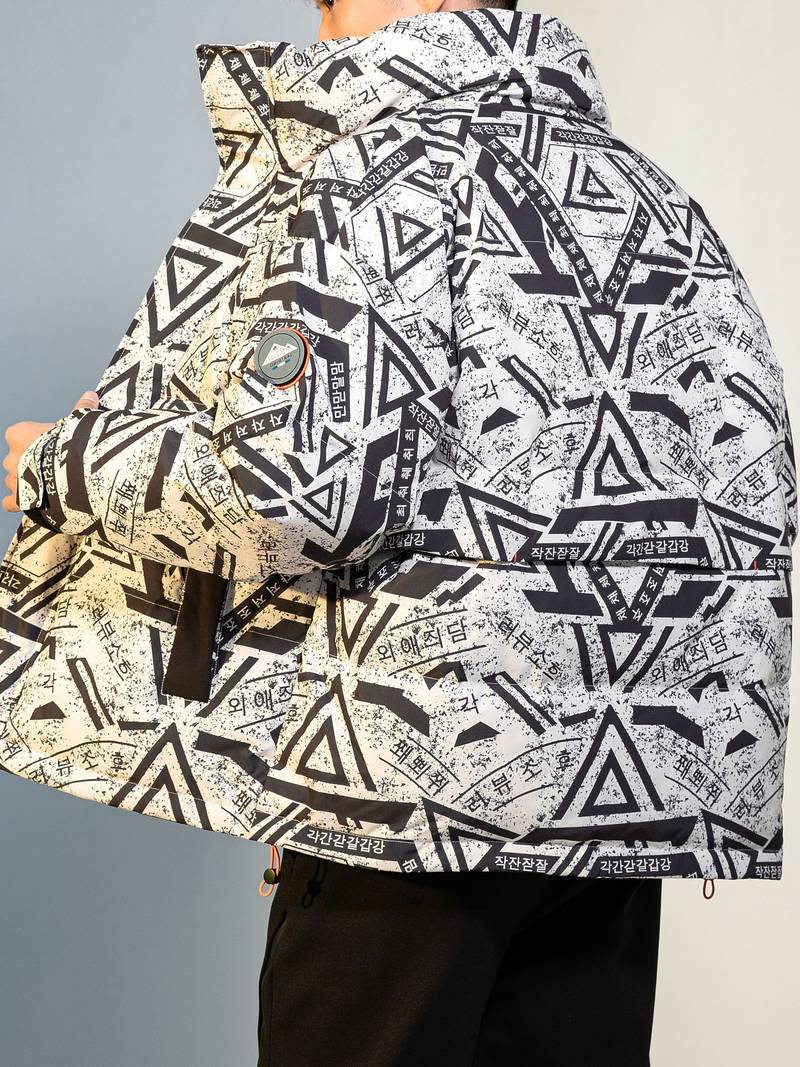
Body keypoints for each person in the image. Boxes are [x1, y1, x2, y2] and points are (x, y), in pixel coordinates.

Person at [1, 1, 795, 1064]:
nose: (323, 34)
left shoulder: (373, 176)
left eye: (333, 6)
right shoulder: (646, 194)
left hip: (409, 799)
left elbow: (293, 495)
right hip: (617, 814)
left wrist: (70, 462)